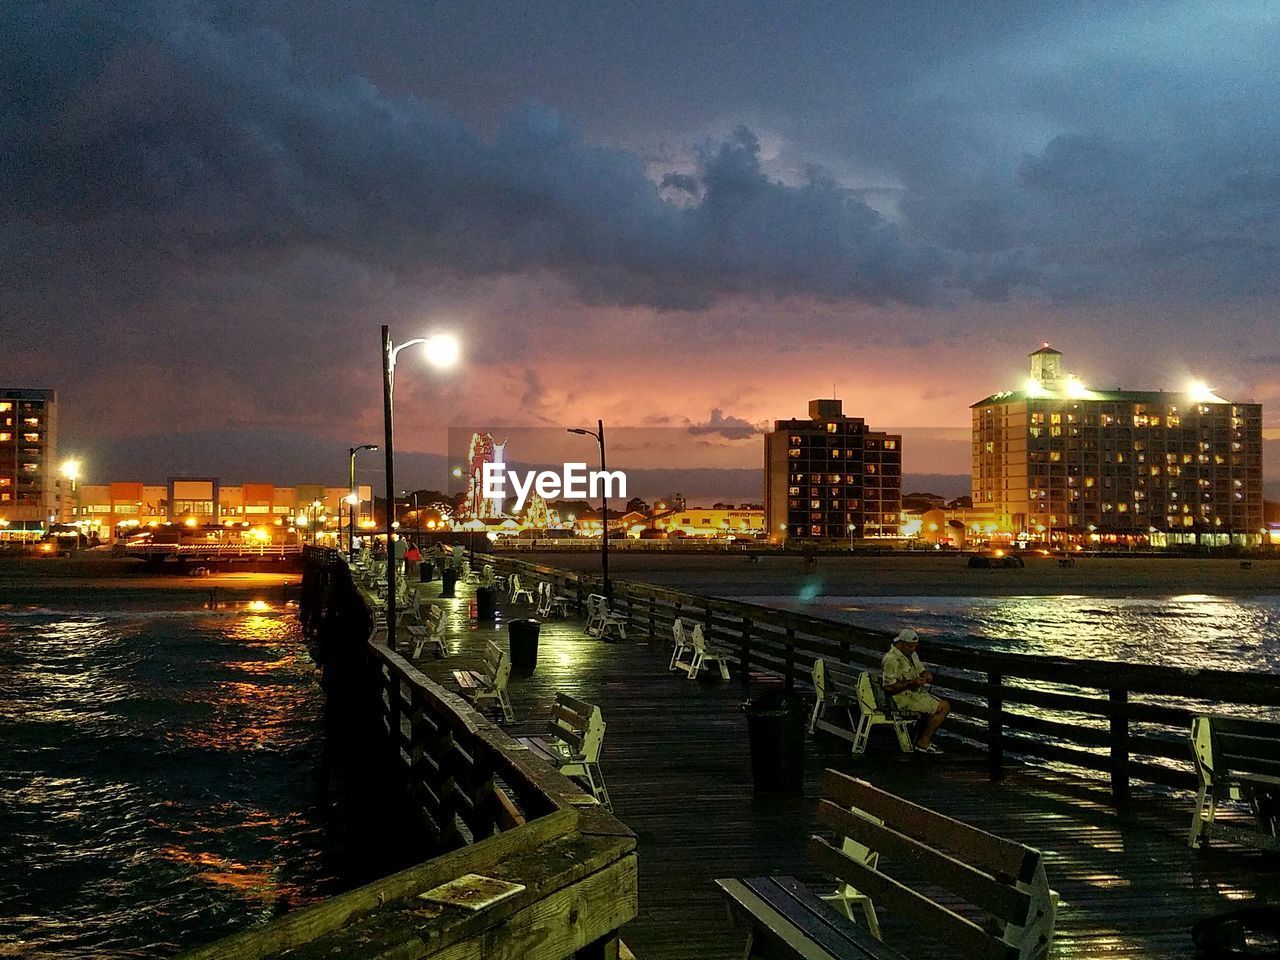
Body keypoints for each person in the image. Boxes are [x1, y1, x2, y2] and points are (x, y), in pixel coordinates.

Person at [881, 628, 950, 755]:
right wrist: (912, 682)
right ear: (901, 643)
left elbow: (920, 669)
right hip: (901, 698)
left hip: (913, 694)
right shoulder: (891, 659)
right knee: (944, 707)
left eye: (914, 646)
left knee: (939, 704)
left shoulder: (910, 654)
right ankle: (923, 742)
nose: (912, 649)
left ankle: (920, 738)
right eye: (909, 646)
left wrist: (925, 674)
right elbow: (888, 687)